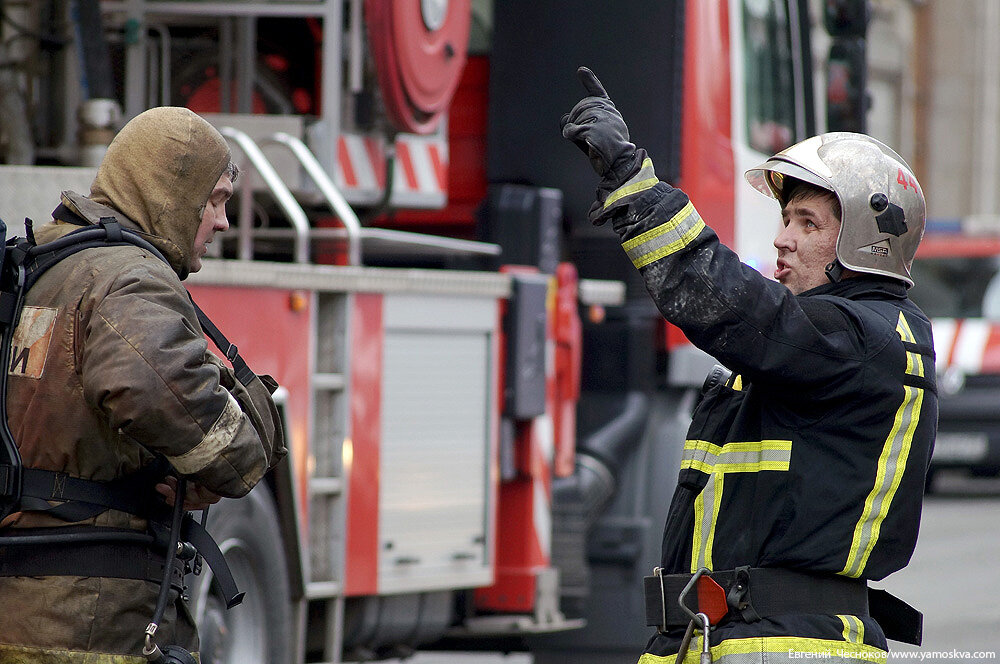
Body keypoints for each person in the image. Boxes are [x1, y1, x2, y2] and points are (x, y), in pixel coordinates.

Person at [562, 68, 936, 662]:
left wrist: (635, 186)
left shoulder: (864, 337)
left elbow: (732, 305)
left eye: (808, 224)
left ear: (865, 245)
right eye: (786, 220)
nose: (783, 240)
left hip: (781, 644)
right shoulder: (817, 344)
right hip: (722, 638)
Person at [0, 107, 286, 662]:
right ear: (171, 191)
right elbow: (168, 397)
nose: (223, 222)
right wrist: (227, 465)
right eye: (217, 199)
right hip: (95, 623)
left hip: (27, 613)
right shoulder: (128, 279)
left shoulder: (46, 268)